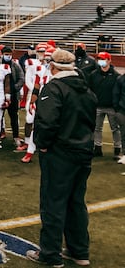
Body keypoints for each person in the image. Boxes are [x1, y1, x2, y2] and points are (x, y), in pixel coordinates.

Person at [26, 48, 95, 267]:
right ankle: (79, 251)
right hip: (83, 151)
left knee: (53, 203)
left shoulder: (54, 87)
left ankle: (50, 254)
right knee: (76, 202)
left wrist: (43, 145)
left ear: (54, 66)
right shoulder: (86, 89)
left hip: (61, 153)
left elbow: (47, 121)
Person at [87, 52, 120, 158]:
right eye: (99, 59)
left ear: (109, 60)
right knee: (97, 128)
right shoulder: (93, 75)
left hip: (111, 107)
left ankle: (117, 148)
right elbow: (90, 89)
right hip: (97, 106)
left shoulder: (116, 76)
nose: (100, 61)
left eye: (103, 59)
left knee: (115, 128)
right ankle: (97, 148)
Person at [1, 47, 24, 144]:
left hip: (13, 94)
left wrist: (15, 87)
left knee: (14, 116)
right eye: (6, 54)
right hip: (0, 94)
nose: (8, 56)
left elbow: (21, 77)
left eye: (9, 54)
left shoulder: (15, 65)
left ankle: (16, 136)